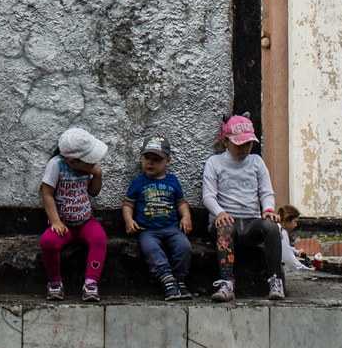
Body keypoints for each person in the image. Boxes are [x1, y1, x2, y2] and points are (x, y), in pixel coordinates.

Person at [202, 114, 283, 302]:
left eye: (248, 144)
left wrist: (269, 209)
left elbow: (266, 192)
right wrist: (220, 212)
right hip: (227, 221)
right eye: (239, 144)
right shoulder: (215, 163)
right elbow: (208, 195)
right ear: (225, 141)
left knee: (272, 227)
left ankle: (275, 279)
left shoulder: (256, 162)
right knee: (224, 229)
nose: (244, 148)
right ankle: (227, 281)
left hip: (251, 221)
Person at [38, 126, 109, 300]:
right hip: (64, 224)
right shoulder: (56, 165)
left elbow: (92, 192)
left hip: (85, 221)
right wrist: (55, 221)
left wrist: (97, 175)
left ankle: (91, 283)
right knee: (47, 242)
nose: (93, 164)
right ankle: (54, 282)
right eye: (90, 160)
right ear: (72, 162)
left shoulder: (88, 169)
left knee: (99, 238)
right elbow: (47, 194)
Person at [121, 137, 194, 300]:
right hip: (148, 231)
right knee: (152, 250)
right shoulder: (138, 182)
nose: (150, 163)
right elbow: (128, 205)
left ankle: (180, 280)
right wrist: (129, 220)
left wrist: (186, 217)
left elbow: (181, 202)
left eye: (156, 159)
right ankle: (166, 279)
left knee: (184, 247)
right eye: (147, 158)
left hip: (172, 228)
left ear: (167, 161)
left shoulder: (172, 181)